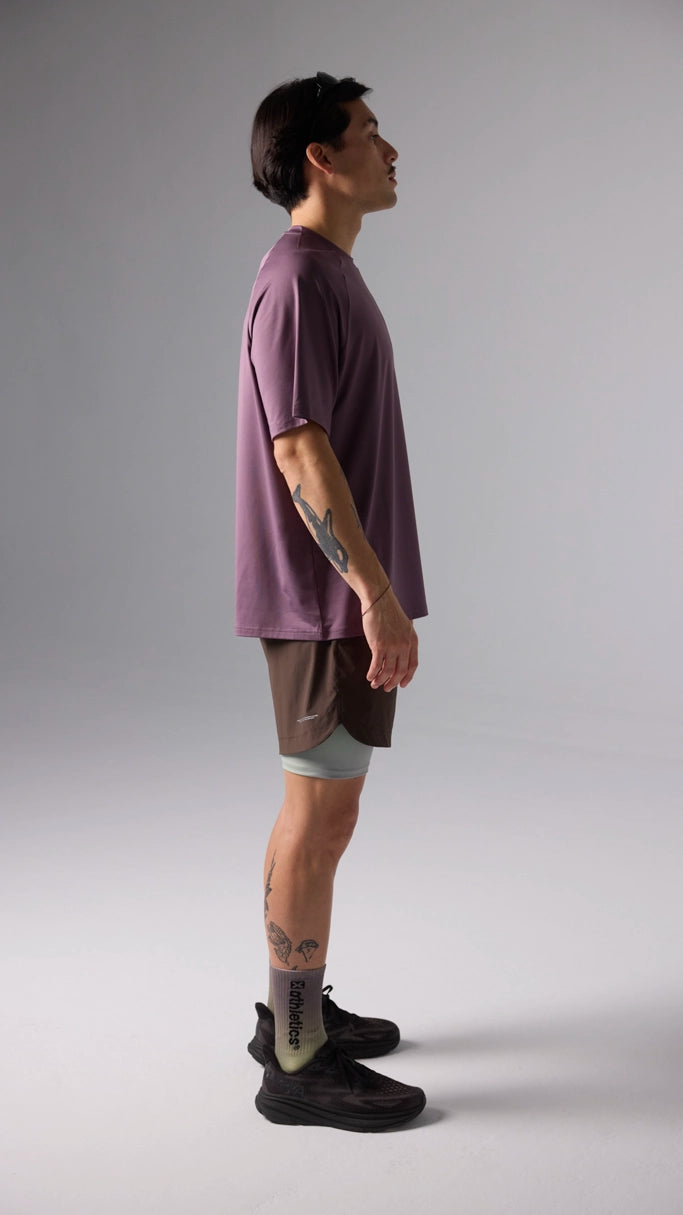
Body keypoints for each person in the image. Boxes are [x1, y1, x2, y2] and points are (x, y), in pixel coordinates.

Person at [235, 72, 428, 1131]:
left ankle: (291, 1011)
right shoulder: (299, 278)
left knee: (317, 813)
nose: (389, 150)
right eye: (368, 132)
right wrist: (372, 593)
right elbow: (298, 450)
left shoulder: (326, 274)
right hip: (326, 601)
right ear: (320, 156)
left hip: (334, 597)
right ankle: (297, 1060)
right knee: (319, 818)